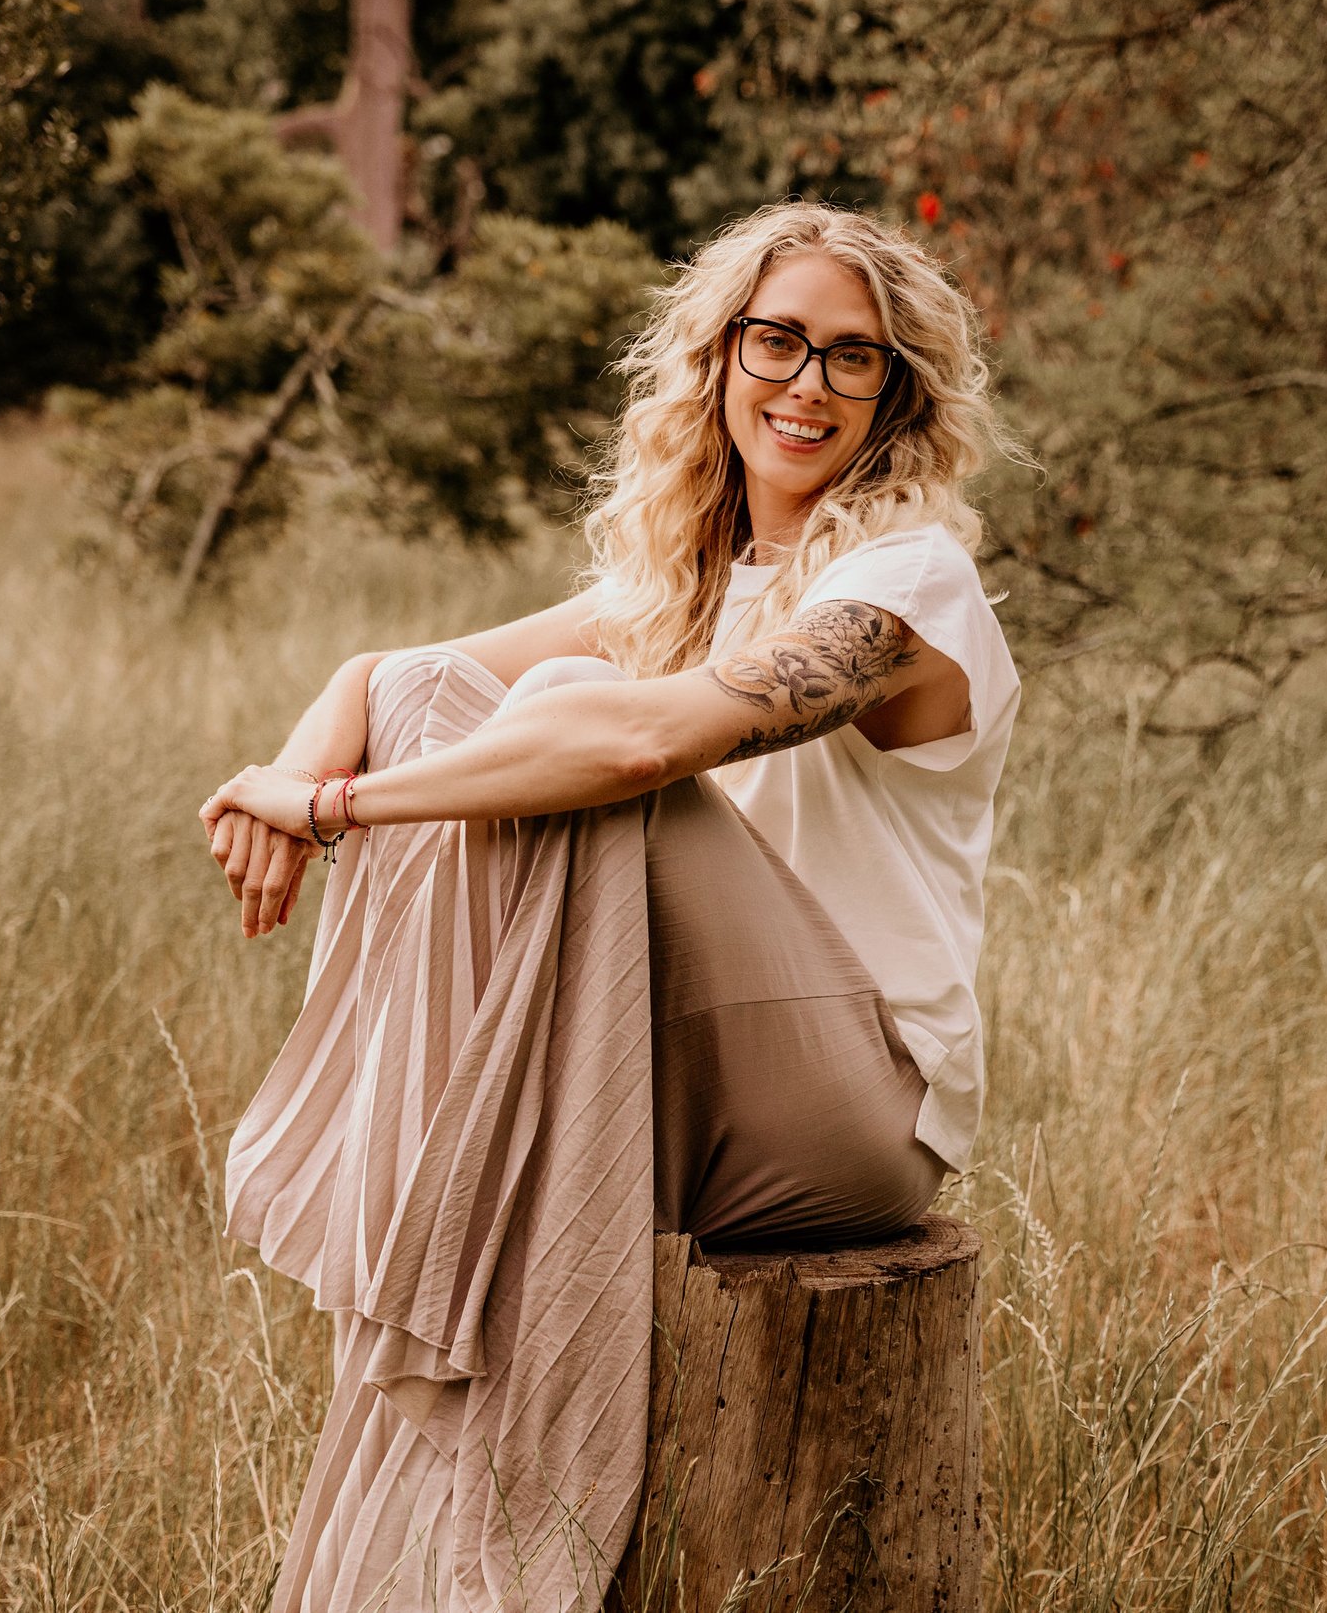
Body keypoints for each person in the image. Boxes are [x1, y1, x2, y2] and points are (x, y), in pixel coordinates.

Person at [196, 200, 1022, 1613]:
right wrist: (315, 731)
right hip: (685, 1065)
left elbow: (643, 744)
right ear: (720, 358)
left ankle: (441, 1201)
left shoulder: (907, 584)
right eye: (776, 341)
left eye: (854, 356)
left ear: (899, 393)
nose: (809, 383)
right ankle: (442, 1179)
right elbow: (405, 675)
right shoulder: (686, 587)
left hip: (852, 1109)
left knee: (582, 714)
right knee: (447, 698)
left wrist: (328, 811)